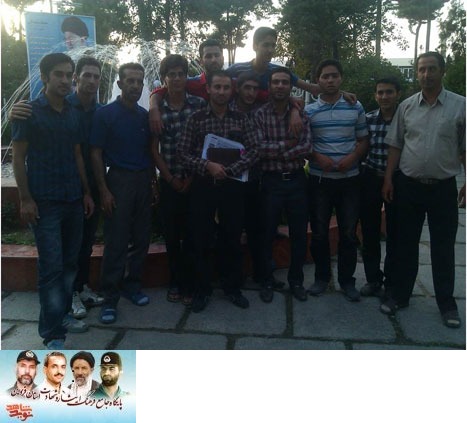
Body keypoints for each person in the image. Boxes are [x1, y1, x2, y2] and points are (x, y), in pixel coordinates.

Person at [10, 56, 105, 323]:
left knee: (71, 261)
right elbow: (18, 158)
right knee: (52, 265)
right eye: (58, 74)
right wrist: (25, 198)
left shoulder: (74, 112)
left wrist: (86, 192)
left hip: (74, 198)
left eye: (67, 75)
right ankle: (54, 327)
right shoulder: (29, 112)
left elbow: (77, 155)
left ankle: (66, 308)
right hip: (45, 201)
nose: (65, 80)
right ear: (44, 77)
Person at [381, 51, 466, 328]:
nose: (426, 74)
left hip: (443, 189)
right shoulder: (407, 107)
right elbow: (395, 145)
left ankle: (447, 304)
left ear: (442, 71)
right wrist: (388, 179)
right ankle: (400, 295)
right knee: (405, 244)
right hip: (409, 187)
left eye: (431, 69)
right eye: (421, 69)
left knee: (443, 247)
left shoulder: (460, 106)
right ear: (416, 73)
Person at [177, 70, 258, 312]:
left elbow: (255, 150)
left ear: (232, 90)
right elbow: (182, 152)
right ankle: (202, 290)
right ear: (209, 89)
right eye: (217, 87)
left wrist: (231, 169)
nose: (221, 92)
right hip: (203, 185)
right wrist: (207, 166)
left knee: (232, 236)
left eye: (226, 87)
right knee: (200, 237)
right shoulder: (196, 119)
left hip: (233, 186)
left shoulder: (242, 119)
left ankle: (232, 288)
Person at [90, 62, 153, 325]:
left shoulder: (143, 115)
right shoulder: (105, 114)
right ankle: (110, 297)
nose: (135, 86)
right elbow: (95, 153)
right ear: (120, 83)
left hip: (143, 180)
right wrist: (103, 190)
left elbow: (149, 151)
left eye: (139, 81)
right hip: (118, 180)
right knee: (116, 241)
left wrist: (153, 183)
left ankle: (132, 285)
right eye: (130, 81)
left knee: (141, 238)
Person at [305, 59, 369, 302]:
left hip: (349, 180)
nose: (330, 80)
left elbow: (363, 139)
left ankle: (347, 281)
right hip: (320, 181)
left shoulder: (355, 106)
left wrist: (352, 158)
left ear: (341, 78)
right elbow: (304, 144)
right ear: (318, 80)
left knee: (349, 233)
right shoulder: (309, 111)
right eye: (325, 76)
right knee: (319, 232)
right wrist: (316, 156)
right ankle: (321, 278)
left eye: (334, 75)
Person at [254, 67, 313, 303]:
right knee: (266, 233)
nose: (280, 86)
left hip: (297, 181)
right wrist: (289, 145)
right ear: (269, 86)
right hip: (271, 182)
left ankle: (296, 281)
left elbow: (306, 147)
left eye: (285, 82)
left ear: (290, 87)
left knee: (299, 234)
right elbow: (259, 149)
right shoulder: (259, 115)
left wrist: (277, 149)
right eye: (276, 82)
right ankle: (267, 280)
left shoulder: (301, 114)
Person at [153, 54, 206, 305]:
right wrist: (170, 179)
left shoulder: (198, 105)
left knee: (194, 235)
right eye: (171, 74)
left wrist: (191, 177)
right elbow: (153, 149)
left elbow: (205, 143)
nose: (176, 78)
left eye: (181, 74)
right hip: (169, 180)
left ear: (187, 77)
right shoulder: (157, 110)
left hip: (196, 181)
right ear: (164, 79)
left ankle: (191, 283)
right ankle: (175, 281)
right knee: (172, 236)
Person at [359, 77, 401, 298]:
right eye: (380, 92)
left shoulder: (405, 120)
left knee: (395, 232)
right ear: (375, 95)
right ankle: (373, 279)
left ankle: (392, 281)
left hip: (398, 181)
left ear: (397, 94)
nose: (384, 96)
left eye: (389, 92)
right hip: (371, 179)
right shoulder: (368, 119)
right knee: (369, 231)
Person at [149, 39, 224, 133]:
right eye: (208, 56)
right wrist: (153, 107)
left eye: (217, 55)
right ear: (201, 61)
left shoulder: (232, 83)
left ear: (223, 57)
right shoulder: (191, 83)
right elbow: (163, 90)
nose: (214, 60)